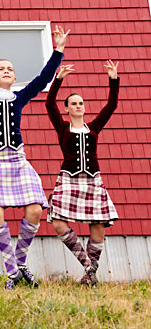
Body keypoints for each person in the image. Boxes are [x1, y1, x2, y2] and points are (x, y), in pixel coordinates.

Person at [0, 22, 67, 289]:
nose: (7, 71)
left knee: (34, 209)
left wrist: (59, 50)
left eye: (10, 68)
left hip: (17, 160)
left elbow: (43, 79)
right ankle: (11, 272)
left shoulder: (20, 97)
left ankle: (20, 263)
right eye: (1, 69)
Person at [45, 61, 119, 286]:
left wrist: (113, 79)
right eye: (74, 104)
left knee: (98, 226)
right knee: (58, 222)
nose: (78, 106)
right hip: (68, 178)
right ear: (66, 108)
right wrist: (58, 79)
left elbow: (112, 105)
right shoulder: (63, 127)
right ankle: (88, 265)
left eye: (81, 103)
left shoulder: (94, 127)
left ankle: (88, 278)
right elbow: (49, 104)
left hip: (92, 179)